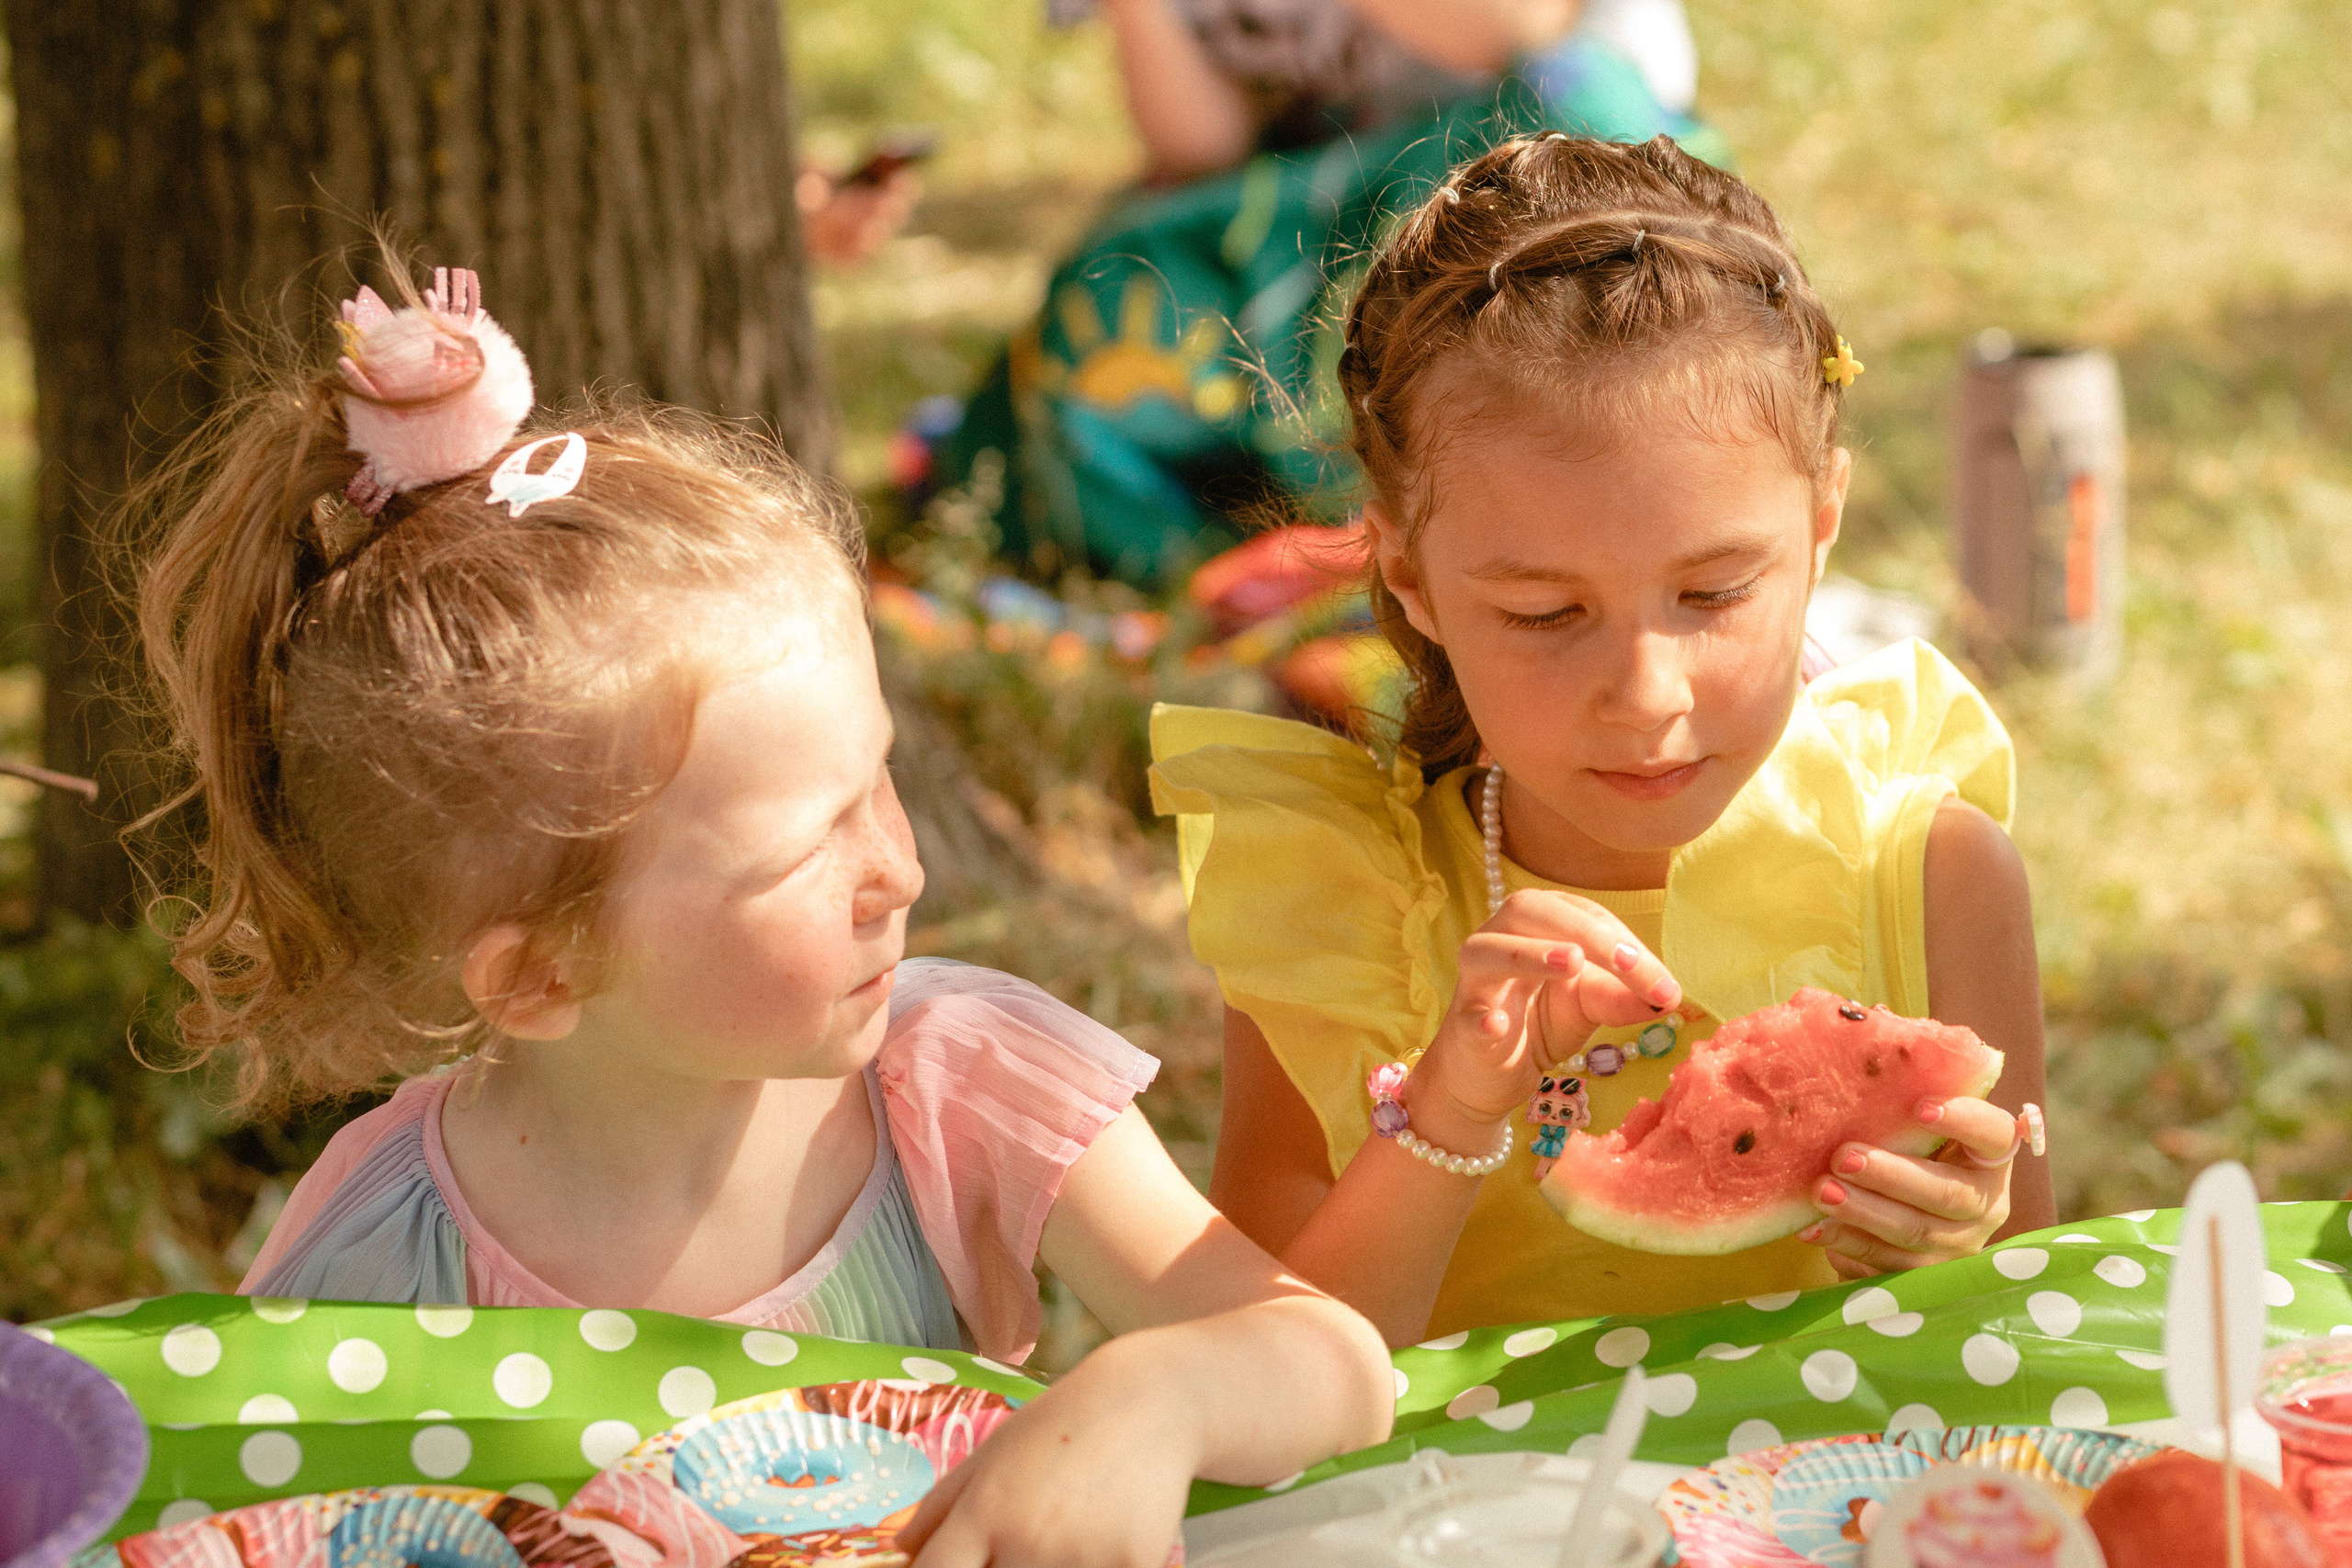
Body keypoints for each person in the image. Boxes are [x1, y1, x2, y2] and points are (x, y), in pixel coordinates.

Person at [134, 267, 1391, 1561]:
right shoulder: (385, 1250)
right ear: (540, 972)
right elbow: (250, 1519)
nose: (895, 872)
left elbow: (1335, 1363)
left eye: (880, 775)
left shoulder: (957, 1083)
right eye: (804, 847)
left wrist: (1157, 1394)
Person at [1150, 136, 2054, 1346]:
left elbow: (2018, 1325)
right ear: (1409, 574)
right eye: (1546, 614)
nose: (1646, 693)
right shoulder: (1338, 905)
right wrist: (1451, 1112)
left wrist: (1958, 1234)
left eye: (1716, 592)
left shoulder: (1934, 876)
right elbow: (1264, 1370)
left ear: (1823, 520)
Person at [929, 0, 1725, 588]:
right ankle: (1256, 554)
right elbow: (1204, 146)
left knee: (1560, 104)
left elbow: (1517, 27)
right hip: (1330, 195)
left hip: (1540, 138)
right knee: (1111, 286)